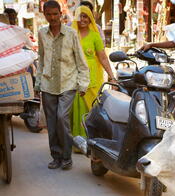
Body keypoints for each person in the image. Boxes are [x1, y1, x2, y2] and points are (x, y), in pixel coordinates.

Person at [35, 0, 90, 170]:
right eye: (49, 14)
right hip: (48, 84)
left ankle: (67, 157)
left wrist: (83, 84)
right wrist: (38, 84)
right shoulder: (42, 33)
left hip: (68, 83)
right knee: (51, 123)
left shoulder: (71, 33)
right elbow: (42, 59)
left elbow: (81, 60)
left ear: (61, 14)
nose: (53, 17)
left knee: (61, 118)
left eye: (55, 14)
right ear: (44, 15)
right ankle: (56, 156)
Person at [71, 5, 116, 140]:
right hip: (74, 77)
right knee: (76, 110)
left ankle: (93, 140)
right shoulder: (71, 34)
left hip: (92, 78)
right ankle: (78, 140)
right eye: (80, 16)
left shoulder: (95, 36)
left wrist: (112, 76)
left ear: (90, 19)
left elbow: (102, 57)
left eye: (85, 16)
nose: (82, 19)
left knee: (92, 108)